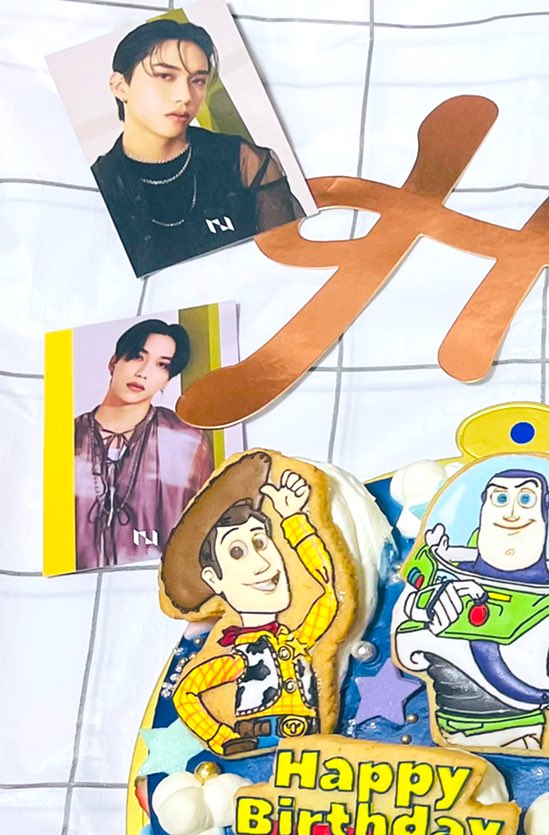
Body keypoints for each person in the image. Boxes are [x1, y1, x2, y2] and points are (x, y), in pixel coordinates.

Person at [394, 467, 549, 755]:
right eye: (500, 498)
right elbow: (406, 647)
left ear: (545, 509)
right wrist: (425, 608)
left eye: (525, 499)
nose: (511, 513)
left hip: (515, 743)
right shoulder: (434, 588)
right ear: (484, 505)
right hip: (437, 752)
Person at [90, 18, 305, 277]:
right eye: (165, 76)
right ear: (120, 86)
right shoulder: (99, 183)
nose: (185, 96)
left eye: (198, 81)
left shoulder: (243, 161)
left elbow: (290, 264)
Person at [164, 456, 337, 758]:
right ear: (213, 578)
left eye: (260, 542)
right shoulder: (240, 657)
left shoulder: (298, 640)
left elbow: (329, 592)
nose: (262, 563)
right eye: (236, 552)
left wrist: (294, 520)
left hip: (309, 743)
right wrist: (222, 738)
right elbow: (186, 692)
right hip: (260, 746)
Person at [72, 317, 214, 568]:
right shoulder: (70, 435)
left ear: (167, 380)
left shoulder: (187, 441)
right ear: (114, 362)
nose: (143, 372)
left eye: (161, 365)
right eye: (138, 357)